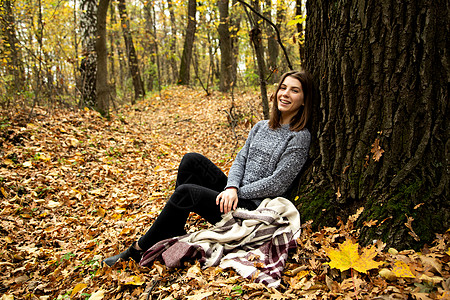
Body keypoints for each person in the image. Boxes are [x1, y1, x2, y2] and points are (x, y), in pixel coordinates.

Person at [103, 70, 314, 267]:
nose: (285, 94)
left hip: (251, 208)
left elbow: (278, 183)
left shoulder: (299, 137)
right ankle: (175, 227)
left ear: (304, 100)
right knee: (191, 160)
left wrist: (237, 193)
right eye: (283, 88)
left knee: (186, 193)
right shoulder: (260, 126)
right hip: (234, 194)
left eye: (294, 90)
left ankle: (138, 249)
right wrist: (231, 187)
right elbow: (240, 160)